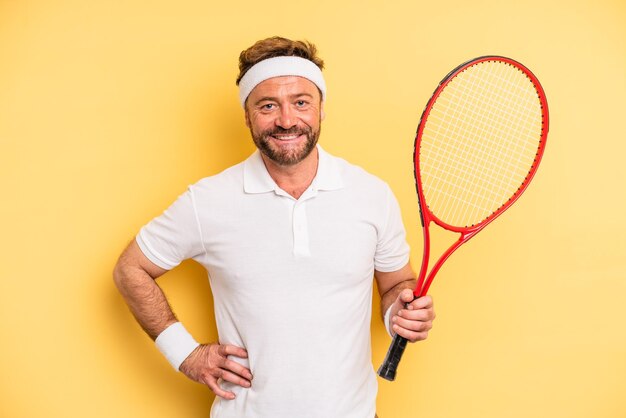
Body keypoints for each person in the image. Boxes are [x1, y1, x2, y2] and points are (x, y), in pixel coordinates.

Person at [113, 36, 435, 418]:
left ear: (321, 110)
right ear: (247, 116)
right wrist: (185, 354)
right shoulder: (208, 201)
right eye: (268, 106)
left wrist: (400, 310)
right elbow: (130, 269)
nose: (286, 120)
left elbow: (397, 285)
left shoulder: (371, 195)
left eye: (301, 102)